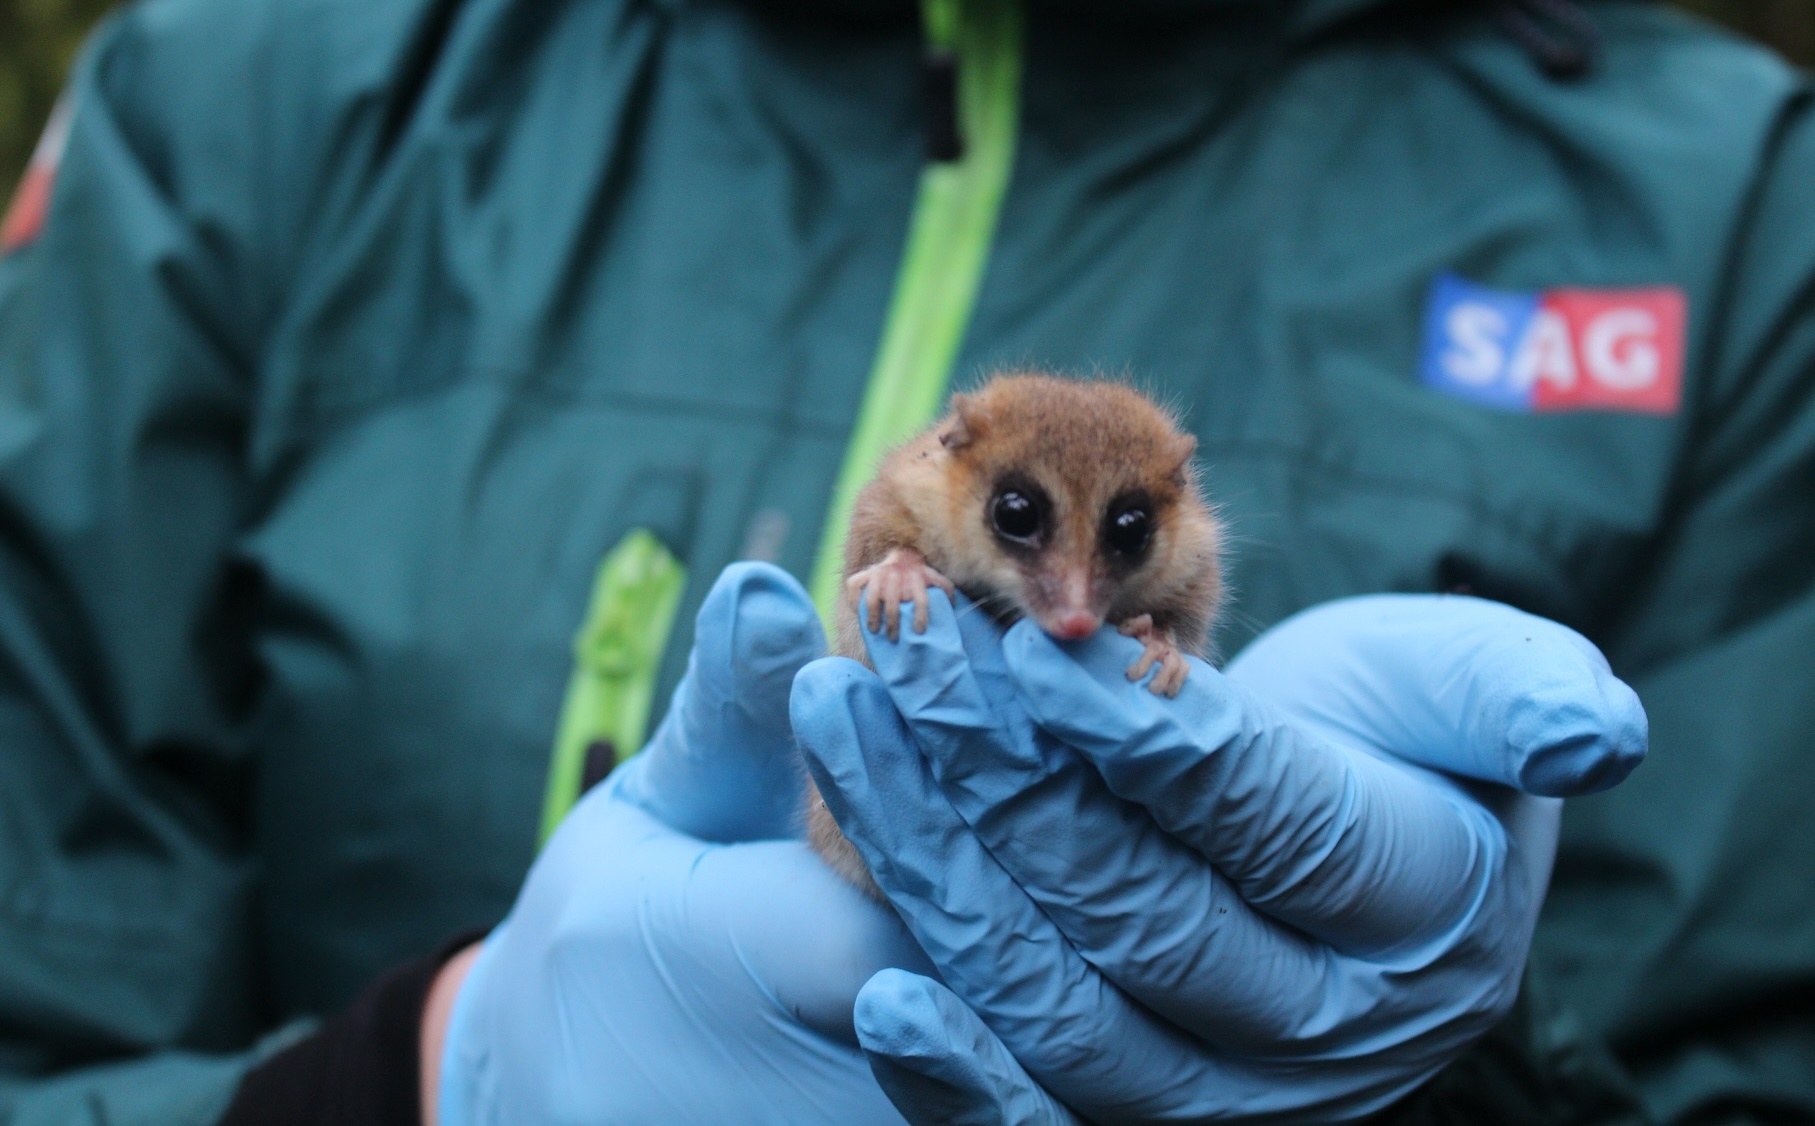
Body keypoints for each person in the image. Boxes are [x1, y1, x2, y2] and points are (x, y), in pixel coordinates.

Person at [0, 0, 1808, 1121]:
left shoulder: (1725, 222)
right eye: (1028, 533)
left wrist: (1418, 1066)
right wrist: (414, 1080)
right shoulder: (250, 100)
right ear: (957, 477)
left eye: (1120, 547)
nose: (1076, 596)